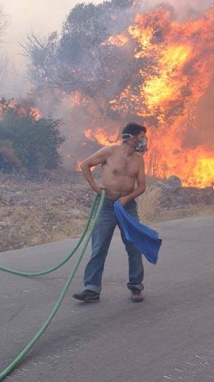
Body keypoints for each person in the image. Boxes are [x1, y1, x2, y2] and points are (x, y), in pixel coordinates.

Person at [72, 122, 148, 304]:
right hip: (106, 205)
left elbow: (142, 186)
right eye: (141, 137)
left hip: (127, 207)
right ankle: (91, 289)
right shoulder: (109, 152)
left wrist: (126, 199)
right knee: (99, 247)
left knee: (134, 246)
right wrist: (95, 187)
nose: (143, 141)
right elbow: (85, 165)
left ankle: (136, 286)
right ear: (130, 137)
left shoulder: (138, 159)